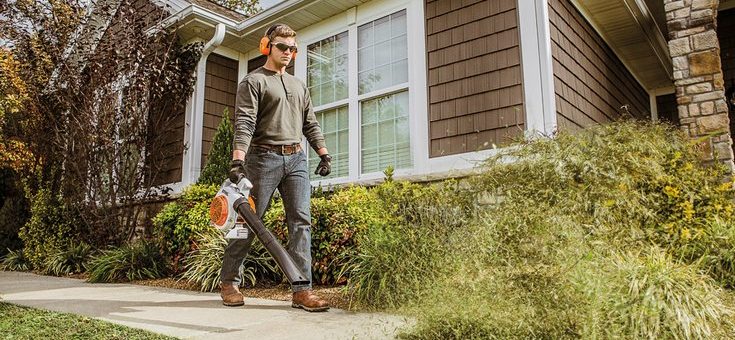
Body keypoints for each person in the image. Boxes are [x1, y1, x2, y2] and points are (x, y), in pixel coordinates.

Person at [219, 23, 332, 312]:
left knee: (301, 223)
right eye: (283, 47)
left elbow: (310, 123)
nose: (288, 53)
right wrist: (238, 160)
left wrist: (323, 153)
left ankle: (301, 290)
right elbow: (244, 122)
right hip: (263, 158)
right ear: (267, 46)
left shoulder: (298, 85)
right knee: (248, 222)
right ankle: (229, 281)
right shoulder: (253, 81)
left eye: (293, 48)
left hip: (297, 159)